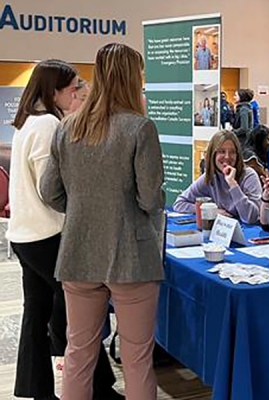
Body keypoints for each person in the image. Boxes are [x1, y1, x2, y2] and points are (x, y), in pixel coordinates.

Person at [40, 43, 165, 399]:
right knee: (138, 358)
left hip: (79, 252)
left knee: (78, 354)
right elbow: (150, 200)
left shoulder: (68, 128)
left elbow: (50, 192)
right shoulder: (140, 128)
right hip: (131, 258)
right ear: (131, 78)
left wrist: (83, 208)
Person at [7, 59, 122, 400]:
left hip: (26, 235)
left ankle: (36, 389)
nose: (78, 96)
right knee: (80, 312)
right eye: (73, 90)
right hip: (47, 236)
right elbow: (51, 189)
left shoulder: (27, 123)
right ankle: (100, 388)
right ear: (53, 91)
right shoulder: (46, 127)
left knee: (37, 313)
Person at [173, 130, 262, 224]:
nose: (227, 157)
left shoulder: (249, 176)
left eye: (232, 152)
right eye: (222, 151)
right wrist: (211, 211)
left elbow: (251, 217)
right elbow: (179, 203)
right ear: (213, 154)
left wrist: (233, 184)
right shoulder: (209, 177)